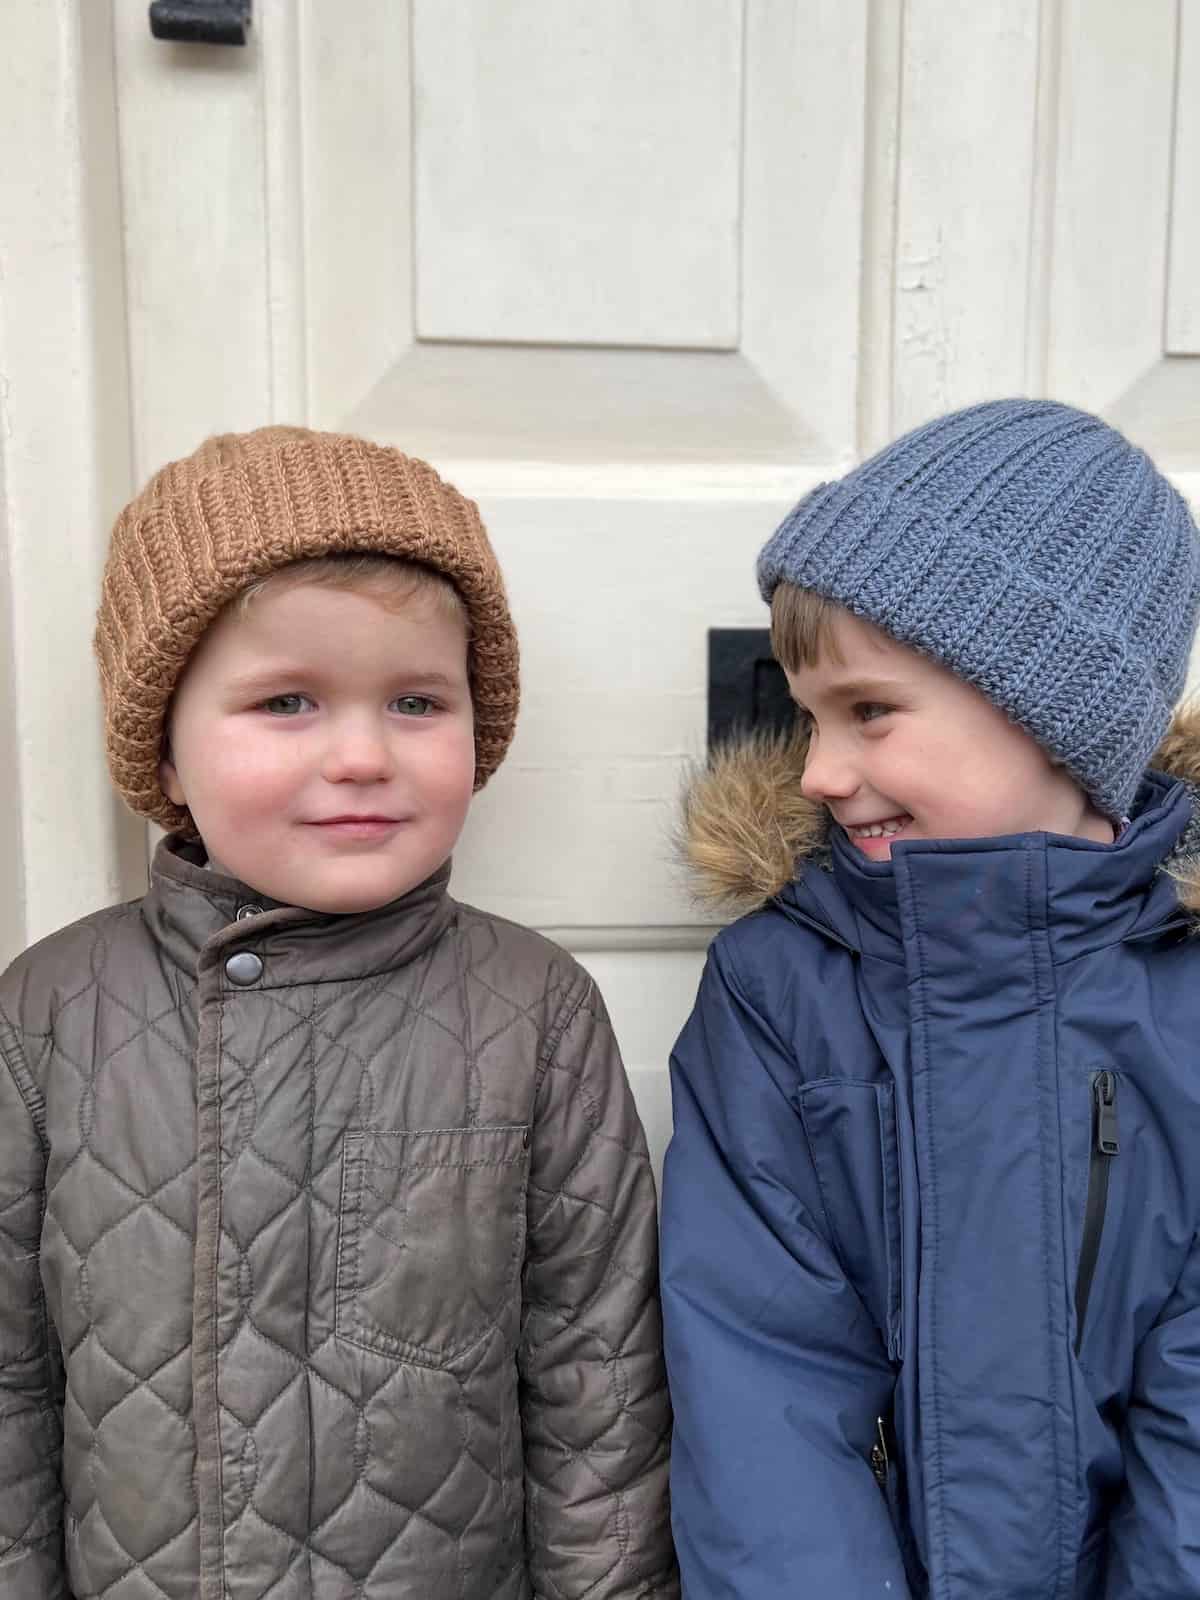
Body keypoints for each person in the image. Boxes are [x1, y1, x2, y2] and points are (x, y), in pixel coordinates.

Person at [0, 427, 677, 1600]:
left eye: (417, 700)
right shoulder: (50, 1011)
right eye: (287, 701)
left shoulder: (533, 1011)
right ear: (163, 745)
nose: (363, 753)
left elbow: (597, 1390)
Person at [661, 398, 1200, 1598]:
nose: (818, 773)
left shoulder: (1182, 988)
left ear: (1059, 715)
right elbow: (762, 1384)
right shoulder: (779, 991)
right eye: (809, 718)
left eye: (870, 713)